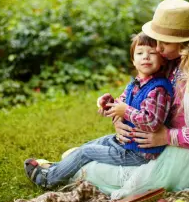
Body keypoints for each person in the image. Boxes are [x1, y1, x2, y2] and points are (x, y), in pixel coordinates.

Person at [71, 0, 189, 200]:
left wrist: (168, 137)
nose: (157, 48)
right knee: (80, 157)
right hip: (146, 147)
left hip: (186, 153)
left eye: (164, 42)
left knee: (91, 168)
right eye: (155, 40)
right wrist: (119, 120)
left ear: (184, 41)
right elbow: (142, 98)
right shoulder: (168, 59)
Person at [23, 33, 174, 189]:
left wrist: (125, 111)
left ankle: (47, 179)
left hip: (140, 153)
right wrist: (109, 103)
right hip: (126, 143)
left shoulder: (158, 89)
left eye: (152, 53)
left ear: (162, 59)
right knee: (90, 144)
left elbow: (152, 122)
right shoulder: (136, 83)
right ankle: (57, 169)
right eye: (140, 53)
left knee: (86, 152)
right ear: (133, 61)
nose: (146, 57)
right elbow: (121, 104)